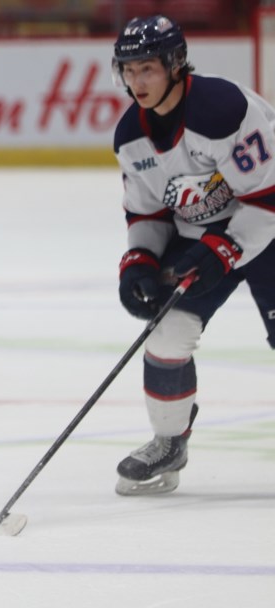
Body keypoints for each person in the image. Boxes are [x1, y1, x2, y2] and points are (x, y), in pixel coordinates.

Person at [111, 15, 275, 495]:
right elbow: (147, 214)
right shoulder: (130, 137)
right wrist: (138, 262)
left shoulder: (223, 109)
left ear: (175, 64)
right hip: (201, 234)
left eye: (147, 69)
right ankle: (169, 441)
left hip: (269, 224)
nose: (136, 82)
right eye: (128, 70)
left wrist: (223, 249)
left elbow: (266, 202)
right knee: (165, 338)